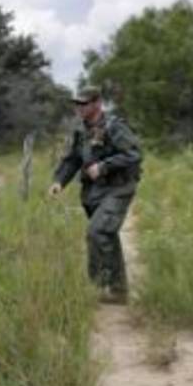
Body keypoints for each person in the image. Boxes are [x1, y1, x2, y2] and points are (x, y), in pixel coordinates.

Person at [49, 86, 143, 303]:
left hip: (118, 188)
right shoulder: (81, 130)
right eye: (77, 104)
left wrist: (104, 166)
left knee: (97, 232)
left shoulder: (115, 126)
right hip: (94, 192)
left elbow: (133, 154)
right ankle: (116, 290)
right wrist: (59, 181)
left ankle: (103, 286)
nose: (79, 108)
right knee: (106, 234)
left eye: (84, 103)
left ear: (97, 103)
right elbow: (72, 159)